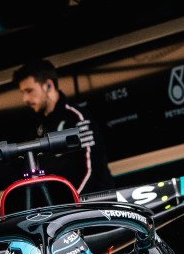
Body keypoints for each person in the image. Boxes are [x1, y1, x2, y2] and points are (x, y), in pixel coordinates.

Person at [13, 60, 113, 195]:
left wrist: (76, 204)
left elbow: (93, 169)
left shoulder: (76, 117)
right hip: (63, 211)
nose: (25, 99)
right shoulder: (38, 128)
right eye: (23, 92)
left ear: (48, 85)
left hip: (94, 206)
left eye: (29, 91)